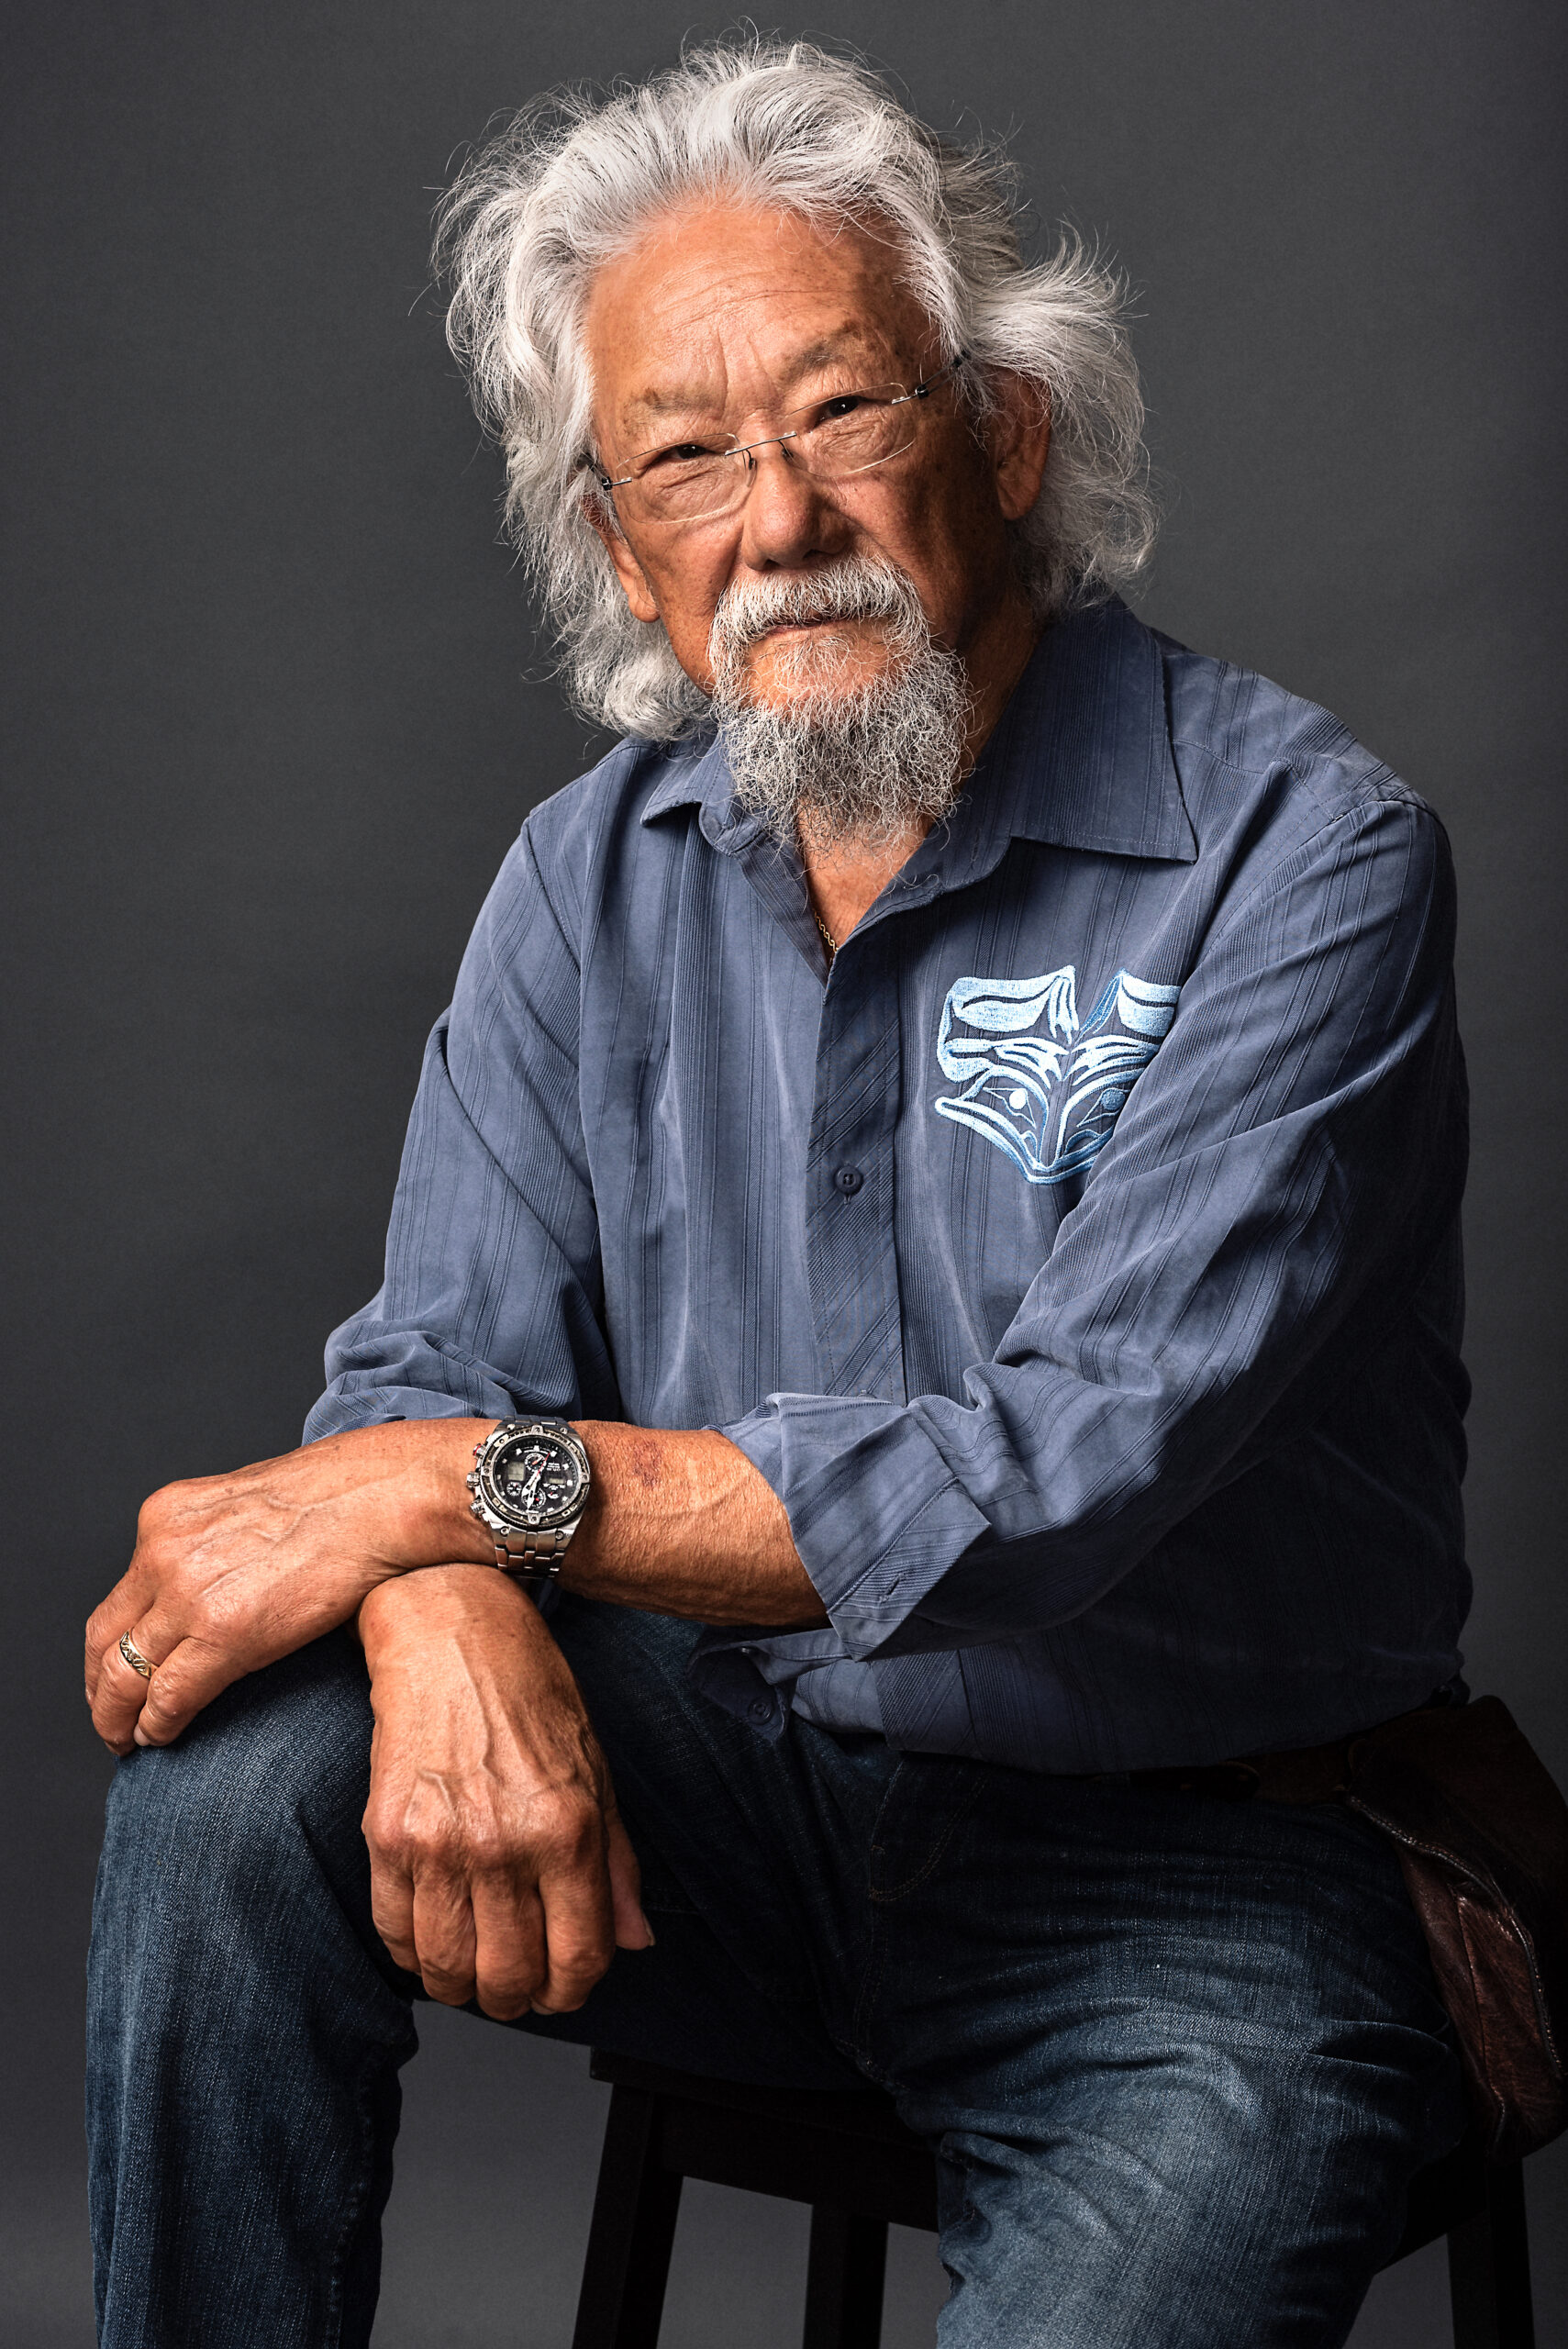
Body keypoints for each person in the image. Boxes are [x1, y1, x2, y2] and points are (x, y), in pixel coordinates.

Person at [83, 40, 1473, 2348]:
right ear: (621, 544)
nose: (780, 518)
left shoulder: (1303, 854)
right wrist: (434, 1594)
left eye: (841, 414)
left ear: (1002, 436)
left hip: (1200, 1879)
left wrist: (430, 1495)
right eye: (687, 458)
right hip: (735, 1813)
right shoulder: (584, 875)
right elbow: (430, 1371)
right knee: (242, 1773)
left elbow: (1050, 1473)